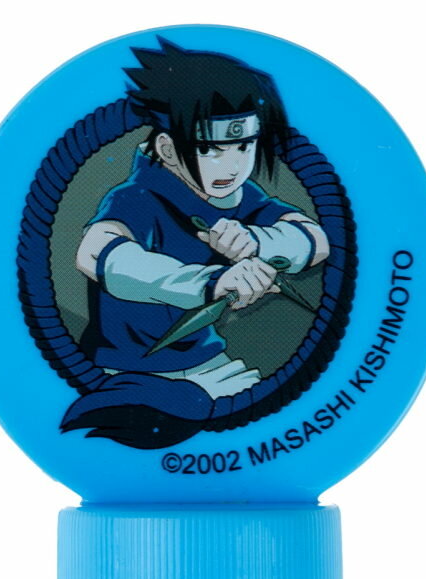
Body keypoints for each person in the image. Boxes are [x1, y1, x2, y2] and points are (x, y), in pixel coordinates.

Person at [61, 38, 330, 448]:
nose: (233, 165)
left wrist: (259, 242)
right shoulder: (136, 198)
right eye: (209, 149)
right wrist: (211, 284)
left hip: (208, 364)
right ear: (168, 149)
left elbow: (314, 239)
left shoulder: (238, 197)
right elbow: (97, 254)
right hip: (129, 374)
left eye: (244, 146)